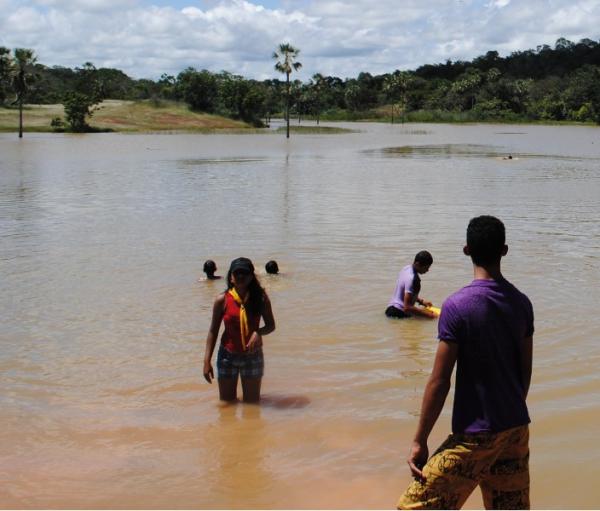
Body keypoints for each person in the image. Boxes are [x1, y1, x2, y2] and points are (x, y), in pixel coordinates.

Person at [397, 216, 534, 510]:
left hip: (474, 436)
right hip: (516, 430)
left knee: (413, 506)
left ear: (466, 250)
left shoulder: (457, 306)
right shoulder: (522, 304)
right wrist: (507, 415)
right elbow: (525, 371)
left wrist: (420, 440)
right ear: (505, 250)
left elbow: (439, 380)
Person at [203, 257, 275, 403]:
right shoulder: (222, 300)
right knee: (227, 405)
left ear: (251, 277)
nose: (241, 276)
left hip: (253, 356)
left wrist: (258, 333)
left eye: (245, 273)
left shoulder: (260, 298)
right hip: (227, 357)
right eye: (237, 273)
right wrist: (206, 361)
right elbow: (213, 331)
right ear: (231, 277)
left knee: (252, 405)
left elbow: (271, 325)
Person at [386, 251, 436, 319]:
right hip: (399, 314)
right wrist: (429, 315)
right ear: (418, 264)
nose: (427, 270)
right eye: (426, 267)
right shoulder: (413, 279)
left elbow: (406, 293)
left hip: (390, 310)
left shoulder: (406, 269)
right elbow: (407, 308)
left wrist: (421, 302)